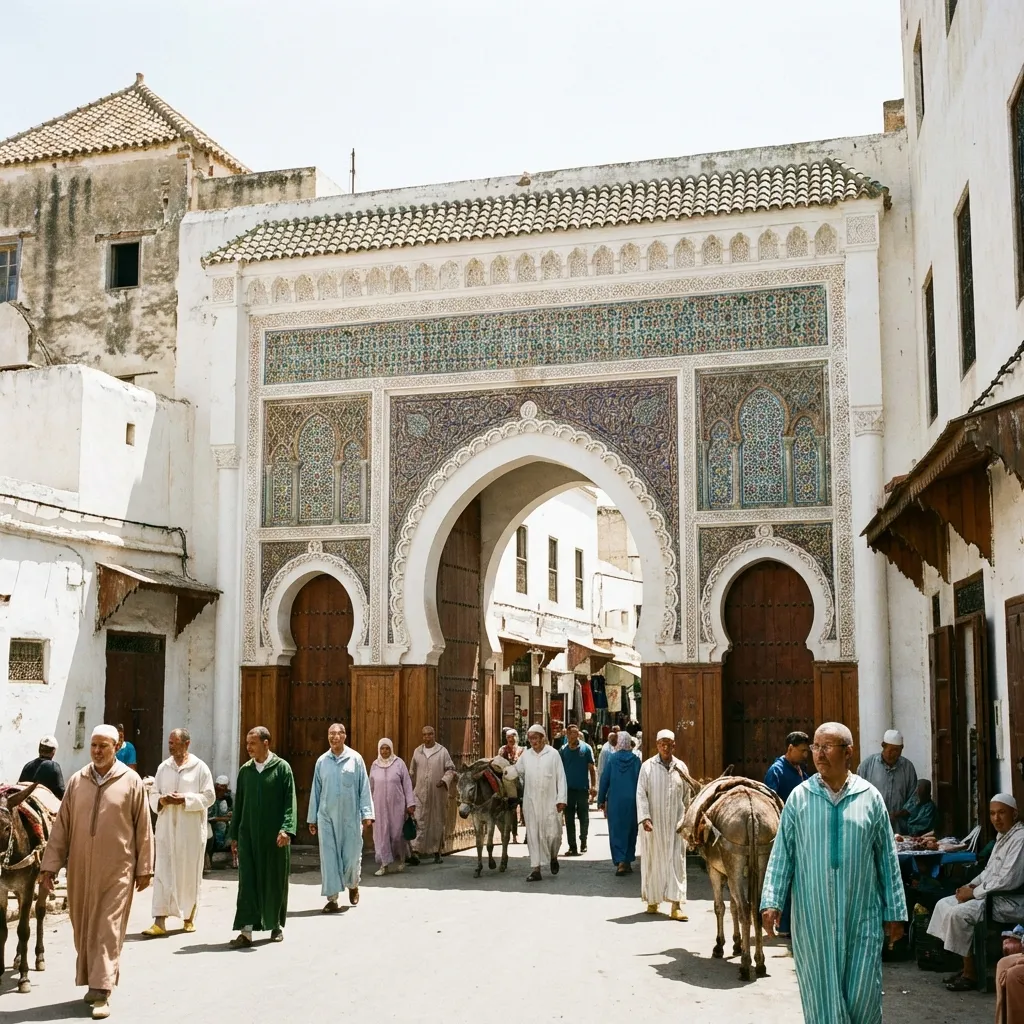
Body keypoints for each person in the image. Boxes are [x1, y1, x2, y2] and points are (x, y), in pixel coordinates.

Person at [761, 722, 906, 1024]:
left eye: (827, 747)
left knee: (864, 995)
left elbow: (887, 860)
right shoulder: (799, 799)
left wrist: (895, 911)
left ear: (848, 752)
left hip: (862, 915)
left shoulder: (870, 797)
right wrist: (772, 901)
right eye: (815, 746)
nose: (819, 754)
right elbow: (782, 854)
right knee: (820, 996)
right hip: (814, 918)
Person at [38, 724, 154, 1020]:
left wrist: (145, 868)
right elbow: (61, 827)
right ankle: (94, 980)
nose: (98, 751)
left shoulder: (131, 781)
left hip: (118, 869)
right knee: (83, 926)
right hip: (79, 868)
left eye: (104, 746)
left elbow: (143, 827)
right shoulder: (78, 781)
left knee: (107, 927)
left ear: (116, 747)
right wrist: (50, 867)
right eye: (94, 745)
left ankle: (102, 990)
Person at [927, 793, 1024, 991]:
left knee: (958, 913)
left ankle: (970, 974)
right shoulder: (1003, 837)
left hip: (1008, 901)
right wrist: (969, 886)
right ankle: (963, 965)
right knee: (944, 903)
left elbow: (1008, 880)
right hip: (989, 895)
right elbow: (988, 872)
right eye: (992, 813)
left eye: (1002, 813)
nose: (996, 818)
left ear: (1014, 814)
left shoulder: (1020, 839)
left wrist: (973, 893)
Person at [142, 728, 215, 937]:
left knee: (188, 874)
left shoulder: (200, 768)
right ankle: (159, 921)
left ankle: (189, 917)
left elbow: (209, 797)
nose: (171, 746)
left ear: (187, 744)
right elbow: (153, 794)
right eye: (169, 742)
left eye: (174, 742)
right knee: (163, 873)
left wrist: (185, 799)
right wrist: (163, 800)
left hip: (190, 832)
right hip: (166, 831)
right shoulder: (163, 768)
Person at [229, 726, 297, 948]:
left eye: (253, 743)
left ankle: (275, 924)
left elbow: (290, 802)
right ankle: (246, 932)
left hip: (275, 837)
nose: (248, 748)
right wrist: (235, 836)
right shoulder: (245, 771)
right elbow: (239, 805)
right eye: (247, 744)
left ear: (266, 743)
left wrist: (286, 829)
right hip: (248, 835)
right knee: (247, 882)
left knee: (274, 880)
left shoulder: (282, 769)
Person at [308, 723, 373, 912]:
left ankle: (353, 884)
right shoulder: (322, 761)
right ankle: (332, 899)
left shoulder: (355, 759)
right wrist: (312, 818)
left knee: (351, 857)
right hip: (326, 817)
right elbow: (316, 791)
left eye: (337, 734)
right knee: (328, 858)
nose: (334, 737)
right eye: (330, 734)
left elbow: (364, 788)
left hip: (350, 817)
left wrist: (367, 814)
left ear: (345, 736)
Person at [636, 728, 690, 920]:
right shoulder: (647, 767)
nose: (665, 747)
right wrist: (645, 818)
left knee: (677, 861)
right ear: (657, 745)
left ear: (674, 745)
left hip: (676, 824)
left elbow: (687, 797)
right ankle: (652, 900)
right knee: (653, 860)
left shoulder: (681, 768)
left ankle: (676, 906)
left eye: (669, 744)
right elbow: (641, 794)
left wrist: (687, 823)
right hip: (654, 824)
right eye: (662, 744)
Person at [504, 724, 567, 882]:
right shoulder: (526, 755)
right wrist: (504, 771)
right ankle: (536, 869)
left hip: (550, 802)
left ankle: (553, 856)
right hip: (531, 802)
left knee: (553, 834)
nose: (533, 741)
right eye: (530, 738)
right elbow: (517, 770)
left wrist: (562, 799)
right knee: (533, 835)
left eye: (535, 738)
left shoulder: (553, 754)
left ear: (542, 738)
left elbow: (561, 777)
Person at [409, 725, 456, 866]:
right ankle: (415, 852)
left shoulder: (442, 752)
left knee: (437, 822)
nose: (427, 737)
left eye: (430, 734)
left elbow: (451, 769)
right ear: (422, 736)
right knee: (419, 820)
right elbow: (412, 772)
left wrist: (444, 780)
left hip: (437, 794)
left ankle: (437, 852)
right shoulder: (417, 752)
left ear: (434, 735)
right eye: (424, 735)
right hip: (420, 793)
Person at [368, 738, 416, 876]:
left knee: (397, 834)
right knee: (381, 835)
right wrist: (368, 806)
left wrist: (410, 803)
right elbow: (370, 786)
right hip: (378, 806)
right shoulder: (375, 765)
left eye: (387, 748)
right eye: (382, 748)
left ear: (391, 749)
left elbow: (407, 784)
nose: (384, 751)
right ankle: (384, 864)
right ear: (379, 750)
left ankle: (401, 858)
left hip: (397, 805)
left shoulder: (399, 763)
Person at [598, 730, 641, 876]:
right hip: (632, 802)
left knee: (616, 830)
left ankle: (621, 861)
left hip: (615, 801)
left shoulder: (612, 759)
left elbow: (604, 780)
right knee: (631, 830)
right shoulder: (636, 761)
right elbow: (642, 783)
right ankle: (627, 860)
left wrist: (601, 799)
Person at [857, 728, 918, 827]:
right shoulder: (867, 765)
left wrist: (899, 813)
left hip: (899, 825)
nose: (893, 754)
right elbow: (858, 794)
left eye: (896, 750)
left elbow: (914, 797)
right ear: (883, 746)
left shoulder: (908, 768)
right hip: (873, 823)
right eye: (890, 750)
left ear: (902, 748)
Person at [559, 723, 596, 856]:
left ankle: (583, 841)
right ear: (567, 735)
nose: (572, 736)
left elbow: (592, 769)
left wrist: (593, 786)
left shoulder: (586, 749)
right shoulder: (563, 750)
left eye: (575, 733)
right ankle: (572, 846)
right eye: (570, 733)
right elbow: (559, 770)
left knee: (583, 817)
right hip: (568, 791)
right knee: (569, 819)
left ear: (578, 734)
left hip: (582, 789)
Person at [764, 731, 810, 803]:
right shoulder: (776, 771)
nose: (805, 755)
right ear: (790, 748)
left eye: (807, 751)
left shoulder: (800, 769)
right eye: (803, 751)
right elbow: (770, 802)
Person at [19, 734, 65, 798]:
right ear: (53, 751)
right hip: (44, 805)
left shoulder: (28, 765)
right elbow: (61, 792)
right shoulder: (53, 766)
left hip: (25, 803)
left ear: (39, 749)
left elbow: (19, 788)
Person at [497, 729, 524, 840]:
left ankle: (527, 835)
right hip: (508, 780)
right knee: (510, 808)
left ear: (516, 738)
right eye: (508, 738)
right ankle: (513, 834)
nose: (511, 740)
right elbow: (499, 764)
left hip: (521, 780)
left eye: (513, 737)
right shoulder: (502, 750)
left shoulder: (522, 750)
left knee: (525, 807)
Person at [206, 775, 234, 869]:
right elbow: (209, 817)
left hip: (225, 825)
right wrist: (222, 819)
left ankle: (234, 860)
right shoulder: (211, 798)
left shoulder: (228, 798)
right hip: (213, 826)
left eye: (224, 787)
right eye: (220, 787)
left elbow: (230, 809)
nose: (222, 790)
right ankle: (209, 861)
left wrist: (230, 814)